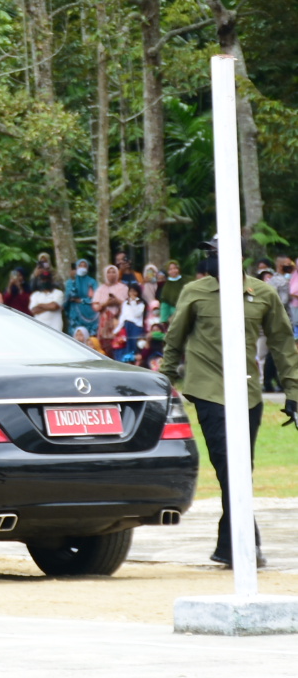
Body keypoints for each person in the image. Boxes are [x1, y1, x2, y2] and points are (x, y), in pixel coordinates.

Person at [162, 242, 298, 568]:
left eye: (218, 253)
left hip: (248, 394)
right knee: (229, 467)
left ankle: (228, 545)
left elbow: (282, 343)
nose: (211, 258)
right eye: (208, 253)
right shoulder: (195, 292)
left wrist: (292, 391)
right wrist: (163, 381)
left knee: (241, 470)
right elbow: (174, 338)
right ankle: (247, 545)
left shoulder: (262, 294)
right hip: (208, 391)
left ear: (238, 258)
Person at [93, 265, 127, 356]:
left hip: (119, 320)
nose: (111, 274)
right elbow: (96, 306)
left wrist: (118, 301)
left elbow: (128, 304)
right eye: (109, 272)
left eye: (113, 272)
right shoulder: (101, 289)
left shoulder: (123, 288)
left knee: (119, 344)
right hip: (104, 323)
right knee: (105, 347)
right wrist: (106, 303)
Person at [64, 259, 99, 338]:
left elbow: (97, 298)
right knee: (75, 336)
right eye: (80, 265)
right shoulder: (70, 281)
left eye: (85, 266)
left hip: (89, 314)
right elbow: (68, 297)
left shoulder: (92, 282)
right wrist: (73, 280)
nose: (82, 268)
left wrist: (82, 300)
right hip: (75, 313)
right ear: (76, 267)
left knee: (90, 338)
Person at [116, 283, 146, 363]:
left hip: (136, 326)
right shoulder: (125, 303)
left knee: (136, 345)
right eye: (131, 291)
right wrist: (117, 329)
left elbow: (137, 314)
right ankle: (128, 361)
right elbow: (123, 316)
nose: (132, 293)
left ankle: (137, 362)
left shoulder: (141, 303)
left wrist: (133, 303)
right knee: (127, 345)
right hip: (127, 325)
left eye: (134, 291)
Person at [157, 261, 186, 325]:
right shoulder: (166, 286)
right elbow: (165, 303)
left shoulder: (186, 280)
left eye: (175, 268)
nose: (173, 271)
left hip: (186, 310)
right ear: (167, 272)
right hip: (173, 312)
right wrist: (163, 320)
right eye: (170, 269)